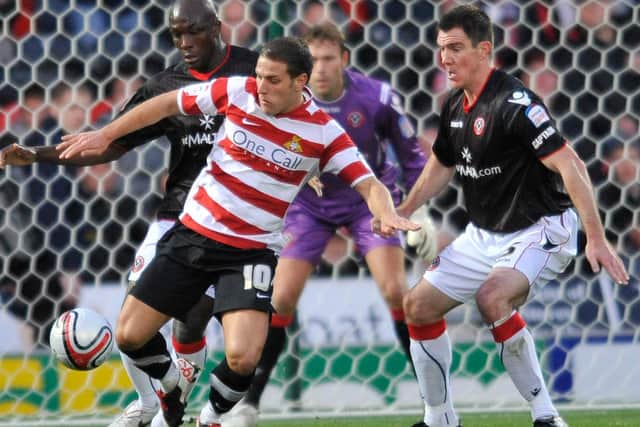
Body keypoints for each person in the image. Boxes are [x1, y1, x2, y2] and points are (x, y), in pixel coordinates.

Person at [56, 36, 419, 427]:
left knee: (243, 359)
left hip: (249, 253)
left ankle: (211, 416)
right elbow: (165, 103)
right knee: (129, 335)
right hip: (192, 235)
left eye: (273, 80)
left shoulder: (323, 132)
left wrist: (385, 213)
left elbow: (368, 183)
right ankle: (172, 382)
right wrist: (106, 134)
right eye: (259, 75)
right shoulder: (238, 91)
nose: (261, 86)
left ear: (301, 82)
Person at [0, 1, 259, 425]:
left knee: (192, 320)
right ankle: (152, 403)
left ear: (216, 26)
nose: (185, 42)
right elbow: (109, 143)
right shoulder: (165, 87)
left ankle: (184, 404)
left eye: (193, 31)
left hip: (236, 218)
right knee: (136, 309)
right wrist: (39, 154)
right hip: (178, 213)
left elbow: (295, 115)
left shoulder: (252, 71)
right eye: (177, 34)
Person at [393, 5, 629, 427]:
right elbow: (443, 164)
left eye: (456, 48)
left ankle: (547, 416)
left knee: (492, 298)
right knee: (417, 306)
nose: (445, 58)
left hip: (541, 228)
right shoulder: (454, 105)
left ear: (484, 50)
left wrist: (595, 237)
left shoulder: (514, 102)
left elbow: (570, 165)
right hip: (485, 234)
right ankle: (439, 419)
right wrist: (406, 208)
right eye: (441, 48)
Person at [224, 22, 429, 427]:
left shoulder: (377, 98)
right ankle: (249, 403)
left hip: (368, 201)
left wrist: (417, 210)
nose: (320, 68)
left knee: (395, 292)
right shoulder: (283, 99)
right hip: (308, 205)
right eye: (313, 60)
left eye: (328, 58)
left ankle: (433, 399)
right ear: (303, 70)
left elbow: (412, 156)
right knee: (279, 299)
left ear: (344, 60)